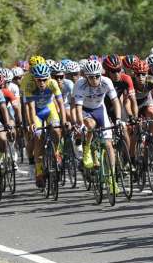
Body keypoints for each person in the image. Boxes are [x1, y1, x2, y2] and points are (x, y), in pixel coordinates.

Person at [73, 60, 123, 193]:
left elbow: (115, 101)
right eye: (91, 77)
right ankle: (87, 149)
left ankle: (112, 179)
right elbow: (77, 108)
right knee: (90, 124)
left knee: (108, 145)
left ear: (100, 75)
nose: (94, 79)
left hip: (100, 109)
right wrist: (81, 124)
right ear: (86, 77)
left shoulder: (106, 81)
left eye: (97, 76)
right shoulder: (80, 85)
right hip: (85, 109)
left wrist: (118, 119)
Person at [22, 63, 66, 188]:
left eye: (44, 79)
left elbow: (61, 103)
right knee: (38, 137)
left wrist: (63, 121)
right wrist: (31, 123)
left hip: (48, 109)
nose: (42, 83)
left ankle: (56, 152)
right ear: (34, 79)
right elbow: (30, 107)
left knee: (57, 130)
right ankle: (39, 171)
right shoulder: (29, 85)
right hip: (36, 112)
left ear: (48, 78)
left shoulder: (53, 83)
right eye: (39, 80)